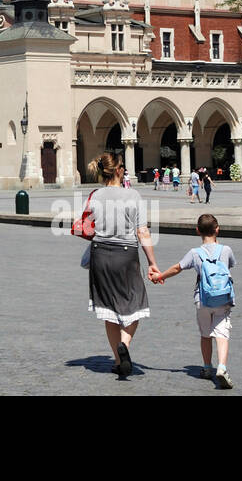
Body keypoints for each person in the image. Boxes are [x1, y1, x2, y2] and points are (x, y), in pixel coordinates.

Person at [86, 153, 160, 378]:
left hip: (99, 253)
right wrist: (152, 263)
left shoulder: (94, 196)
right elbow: (142, 231)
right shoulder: (133, 195)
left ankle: (119, 362)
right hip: (125, 253)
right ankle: (124, 345)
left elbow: (88, 227)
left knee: (109, 310)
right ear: (118, 170)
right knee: (136, 302)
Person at [151, 212, 236, 389]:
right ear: (217, 230)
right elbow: (231, 264)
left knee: (205, 334)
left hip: (203, 299)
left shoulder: (195, 253)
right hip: (223, 299)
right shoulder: (226, 250)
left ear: (197, 231)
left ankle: (206, 367)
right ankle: (221, 367)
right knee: (222, 334)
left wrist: (160, 276)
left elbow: (177, 268)